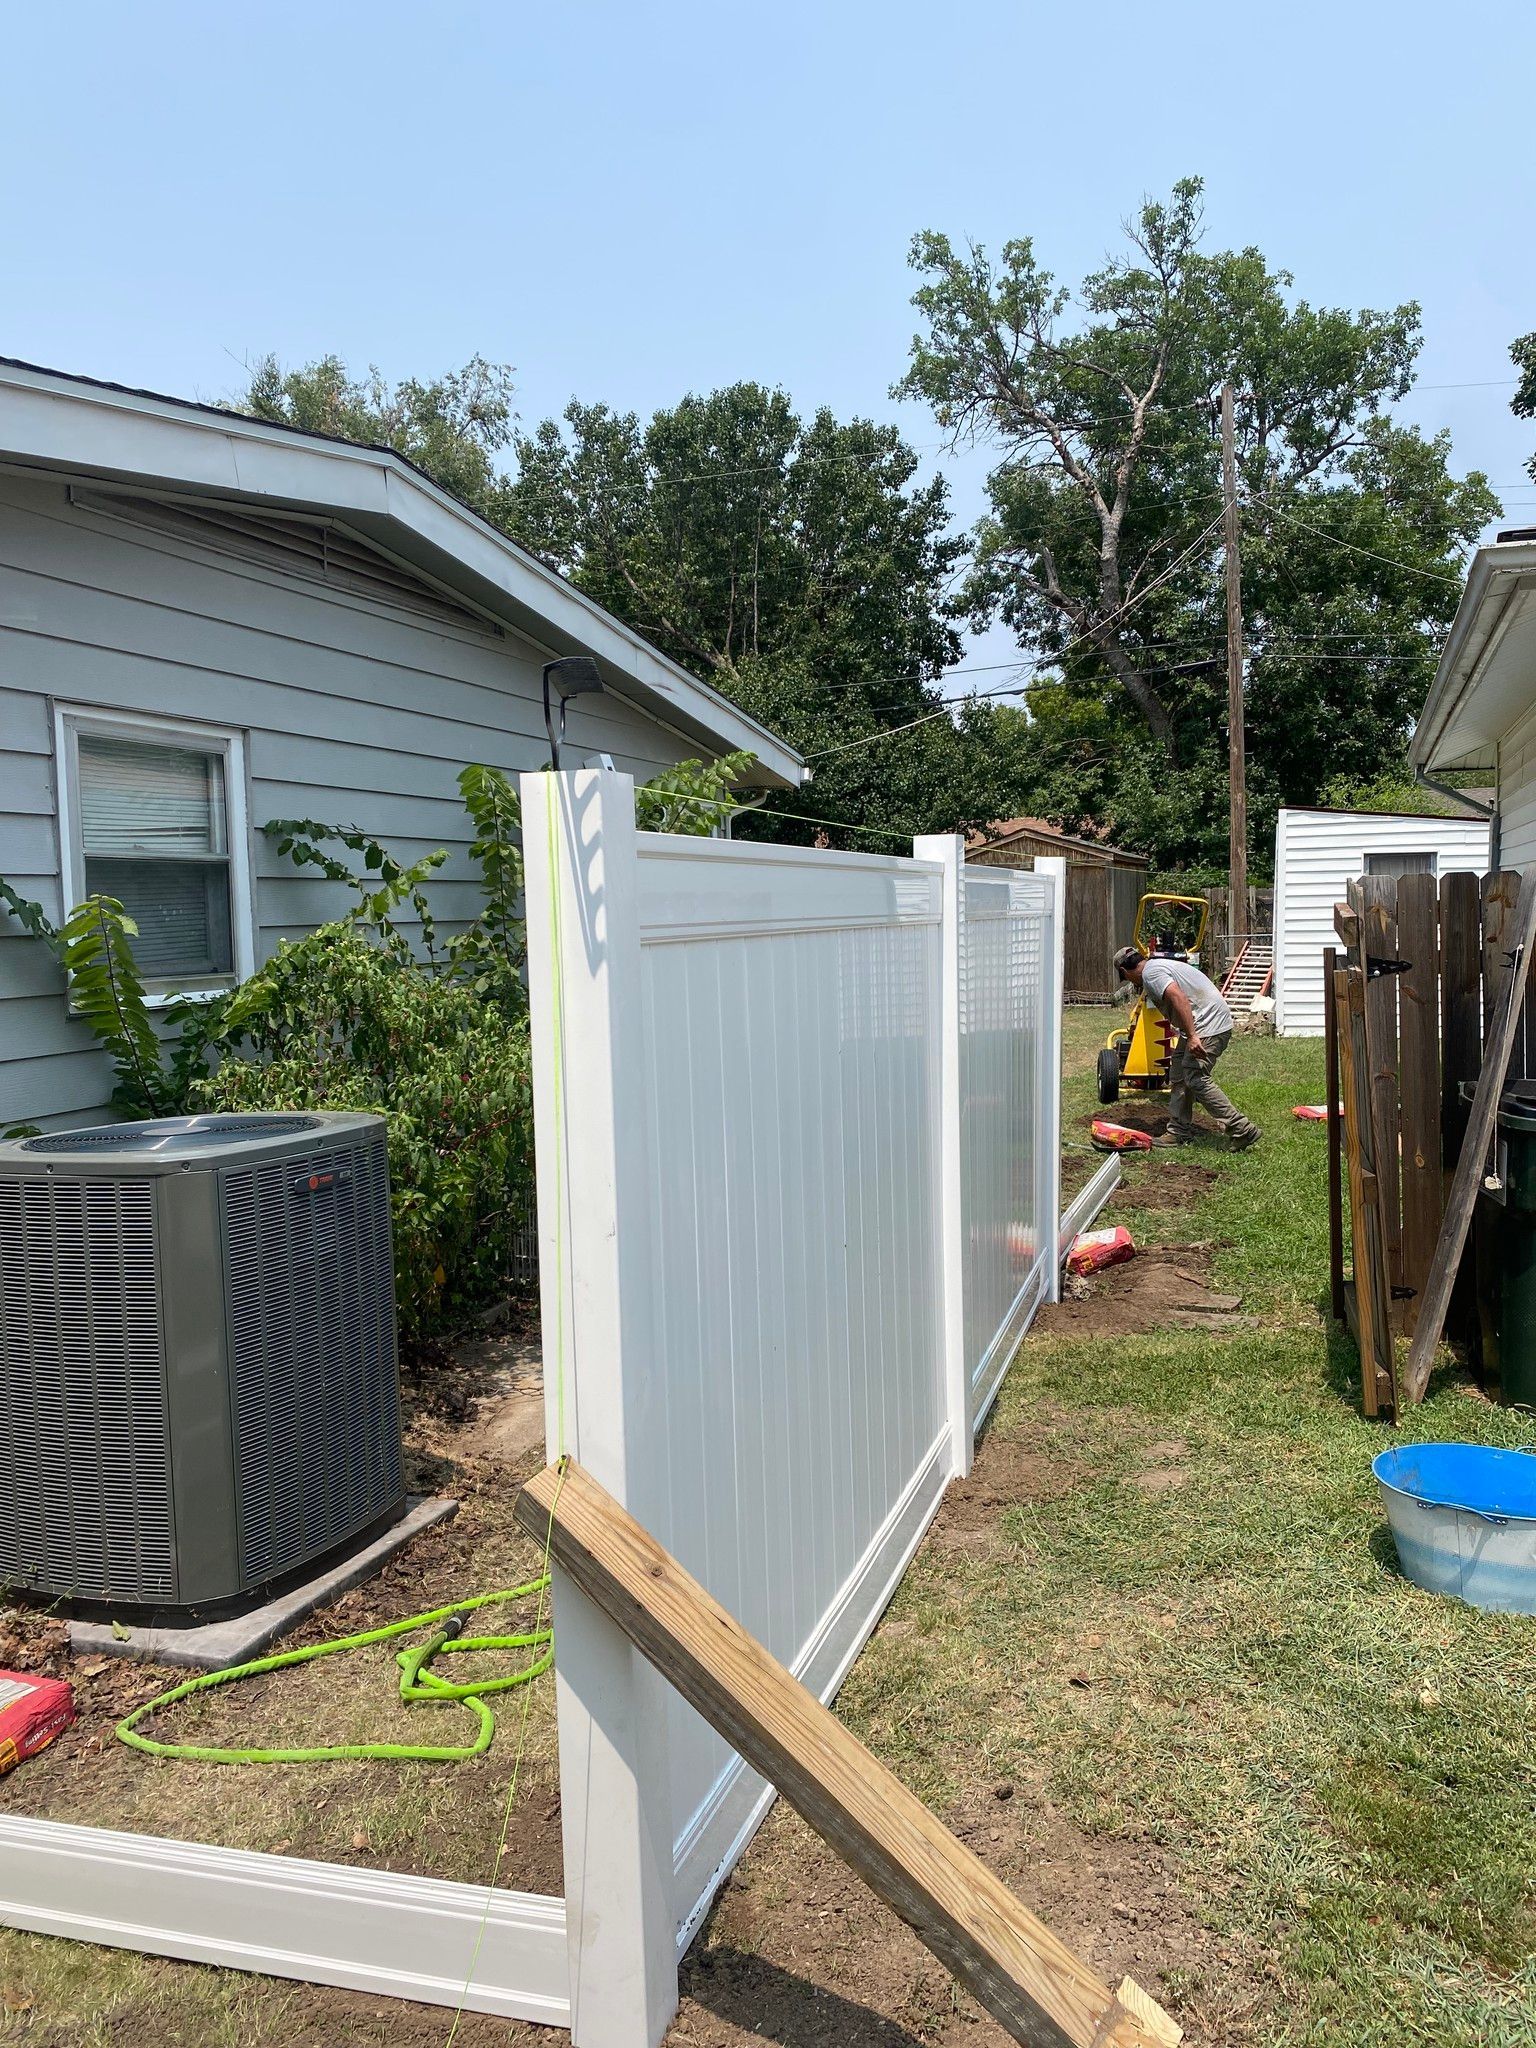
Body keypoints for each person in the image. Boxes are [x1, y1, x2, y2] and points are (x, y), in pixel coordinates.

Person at [1112, 944, 1260, 1150]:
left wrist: (1191, 1035)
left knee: (1196, 1078)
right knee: (1179, 1073)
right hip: (1204, 1023)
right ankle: (1179, 1131)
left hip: (1206, 1027)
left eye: (1126, 978)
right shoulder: (1157, 966)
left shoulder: (1151, 974)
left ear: (1124, 971)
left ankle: (1241, 1128)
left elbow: (1178, 997)